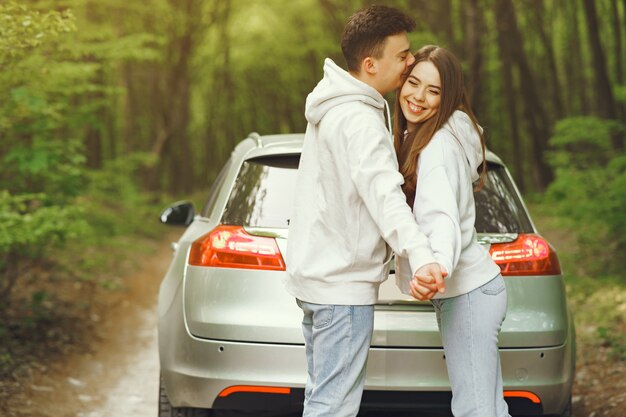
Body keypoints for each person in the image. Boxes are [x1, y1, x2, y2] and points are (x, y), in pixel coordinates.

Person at [284, 6, 445, 417]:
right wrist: (422, 254)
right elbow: (384, 194)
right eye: (403, 55)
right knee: (332, 407)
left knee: (322, 400)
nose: (411, 62)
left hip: (319, 282)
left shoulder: (335, 108)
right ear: (370, 64)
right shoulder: (358, 119)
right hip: (341, 289)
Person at [393, 44, 511, 417]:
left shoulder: (437, 148)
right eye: (414, 83)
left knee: (475, 410)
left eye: (434, 91)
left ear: (448, 99)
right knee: (488, 409)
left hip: (468, 292)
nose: (418, 97)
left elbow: (442, 216)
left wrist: (437, 265)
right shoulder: (438, 135)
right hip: (474, 291)